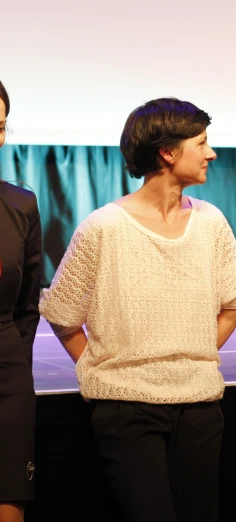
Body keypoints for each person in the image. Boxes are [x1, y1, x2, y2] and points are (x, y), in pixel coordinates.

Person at [38, 98, 236, 522]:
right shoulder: (104, 226)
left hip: (199, 409)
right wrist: (107, 368)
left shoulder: (211, 222)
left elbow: (232, 306)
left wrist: (189, 354)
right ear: (168, 153)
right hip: (127, 412)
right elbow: (62, 314)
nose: (212, 153)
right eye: (202, 143)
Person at [0, 80, 42, 522]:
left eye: (0, 126)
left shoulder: (21, 204)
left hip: (7, 373)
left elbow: (28, 305)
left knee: (10, 493)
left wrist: (17, 362)